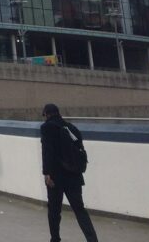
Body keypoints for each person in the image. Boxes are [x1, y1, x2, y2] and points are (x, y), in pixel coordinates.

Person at [40, 103, 98, 242]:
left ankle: (55, 239)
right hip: (74, 176)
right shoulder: (72, 128)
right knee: (80, 210)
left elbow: (47, 152)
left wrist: (47, 173)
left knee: (54, 211)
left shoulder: (47, 127)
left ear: (47, 114)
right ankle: (92, 239)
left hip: (55, 177)